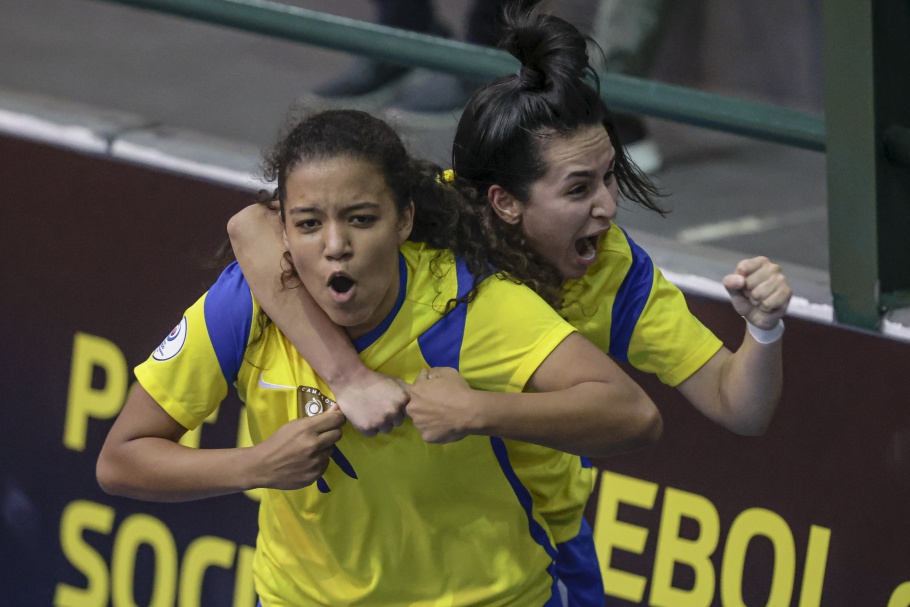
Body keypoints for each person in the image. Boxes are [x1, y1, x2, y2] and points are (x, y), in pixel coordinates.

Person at [228, 8, 792, 603]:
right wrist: (349, 376)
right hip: (427, 545)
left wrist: (764, 330)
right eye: (578, 188)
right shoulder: (434, 215)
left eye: (609, 178)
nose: (606, 207)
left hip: (540, 546)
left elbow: (739, 407)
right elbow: (251, 228)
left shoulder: (615, 271)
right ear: (503, 202)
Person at [97, 109, 661, 605]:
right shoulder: (245, 307)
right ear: (284, 232)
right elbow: (121, 459)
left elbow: (633, 415)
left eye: (361, 219)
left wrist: (478, 411)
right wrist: (258, 466)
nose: (335, 245)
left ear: (404, 221)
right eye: (309, 224)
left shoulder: (467, 305)